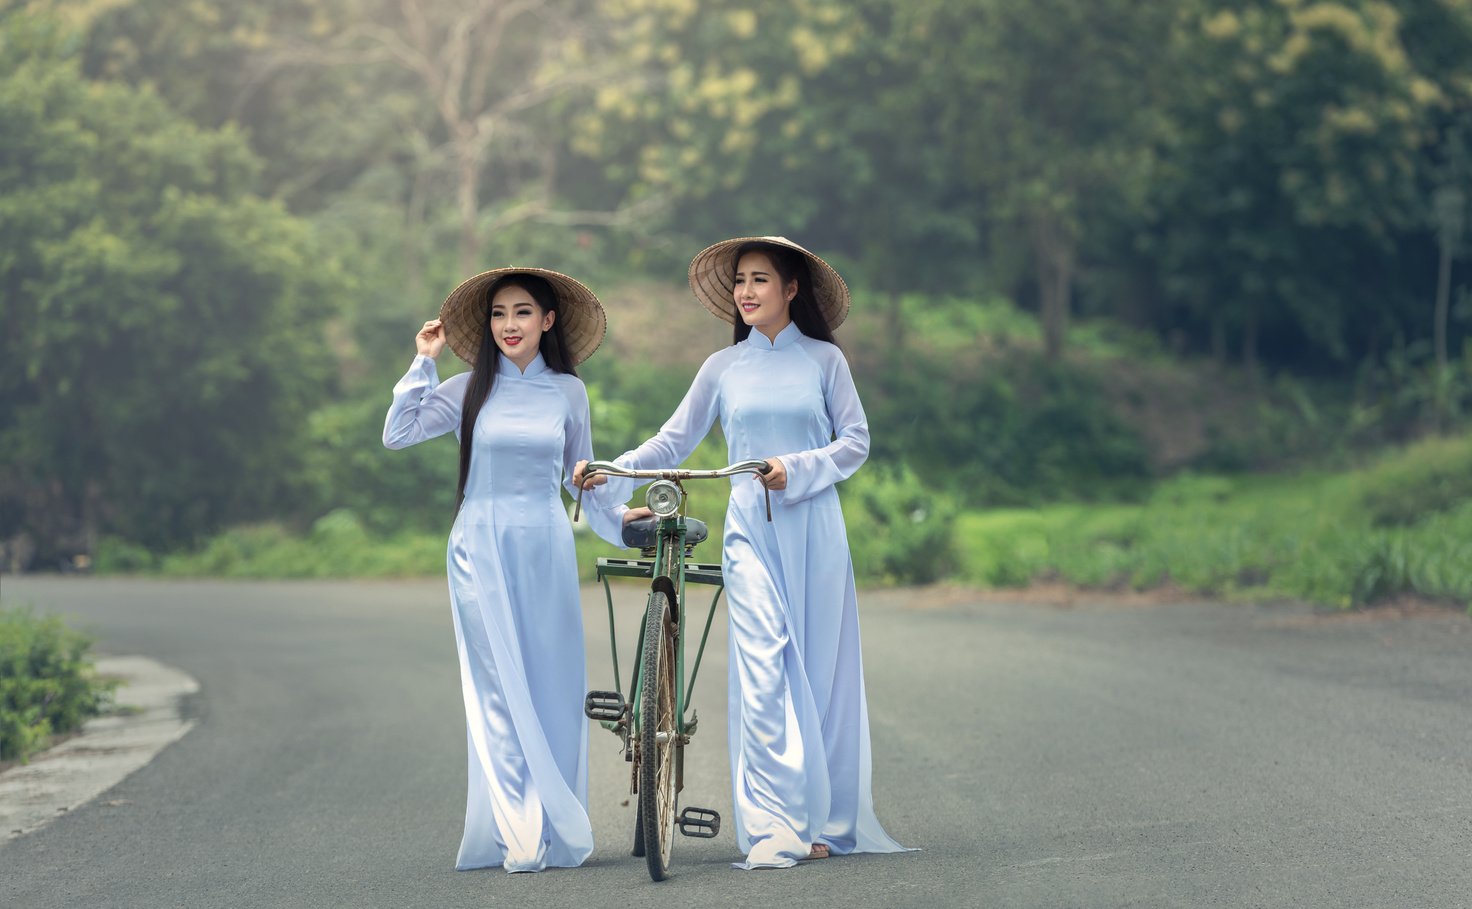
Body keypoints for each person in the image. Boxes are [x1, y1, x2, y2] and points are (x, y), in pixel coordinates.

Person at [578, 237, 913, 870]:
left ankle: (822, 820)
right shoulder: (722, 367)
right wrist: (613, 471)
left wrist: (798, 467)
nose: (747, 291)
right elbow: (673, 440)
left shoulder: (824, 362)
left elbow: (856, 443)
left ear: (792, 290)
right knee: (761, 669)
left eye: (762, 279)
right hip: (749, 533)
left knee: (818, 674)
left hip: (813, 528)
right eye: (740, 281)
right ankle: (772, 825)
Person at [384, 267, 624, 873]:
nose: (508, 325)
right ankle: (516, 830)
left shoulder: (569, 392)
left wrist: (623, 520)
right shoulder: (469, 389)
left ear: (548, 321)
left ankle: (549, 821)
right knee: (495, 689)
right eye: (497, 314)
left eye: (522, 313)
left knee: (551, 686)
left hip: (546, 544)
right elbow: (399, 432)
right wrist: (423, 363)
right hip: (479, 546)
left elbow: (582, 478)